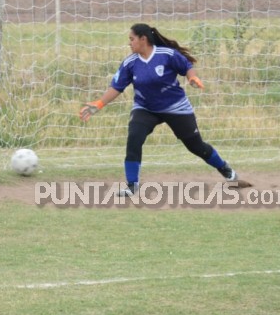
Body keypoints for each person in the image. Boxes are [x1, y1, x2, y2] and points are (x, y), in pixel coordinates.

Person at [79, 23, 238, 196]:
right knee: (134, 137)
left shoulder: (167, 55)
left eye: (131, 39)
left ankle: (225, 169)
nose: (129, 43)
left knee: (196, 146)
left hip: (176, 107)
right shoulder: (130, 63)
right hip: (145, 108)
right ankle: (132, 186)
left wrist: (193, 78)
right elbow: (117, 87)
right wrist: (99, 104)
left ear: (143, 39)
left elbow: (187, 68)